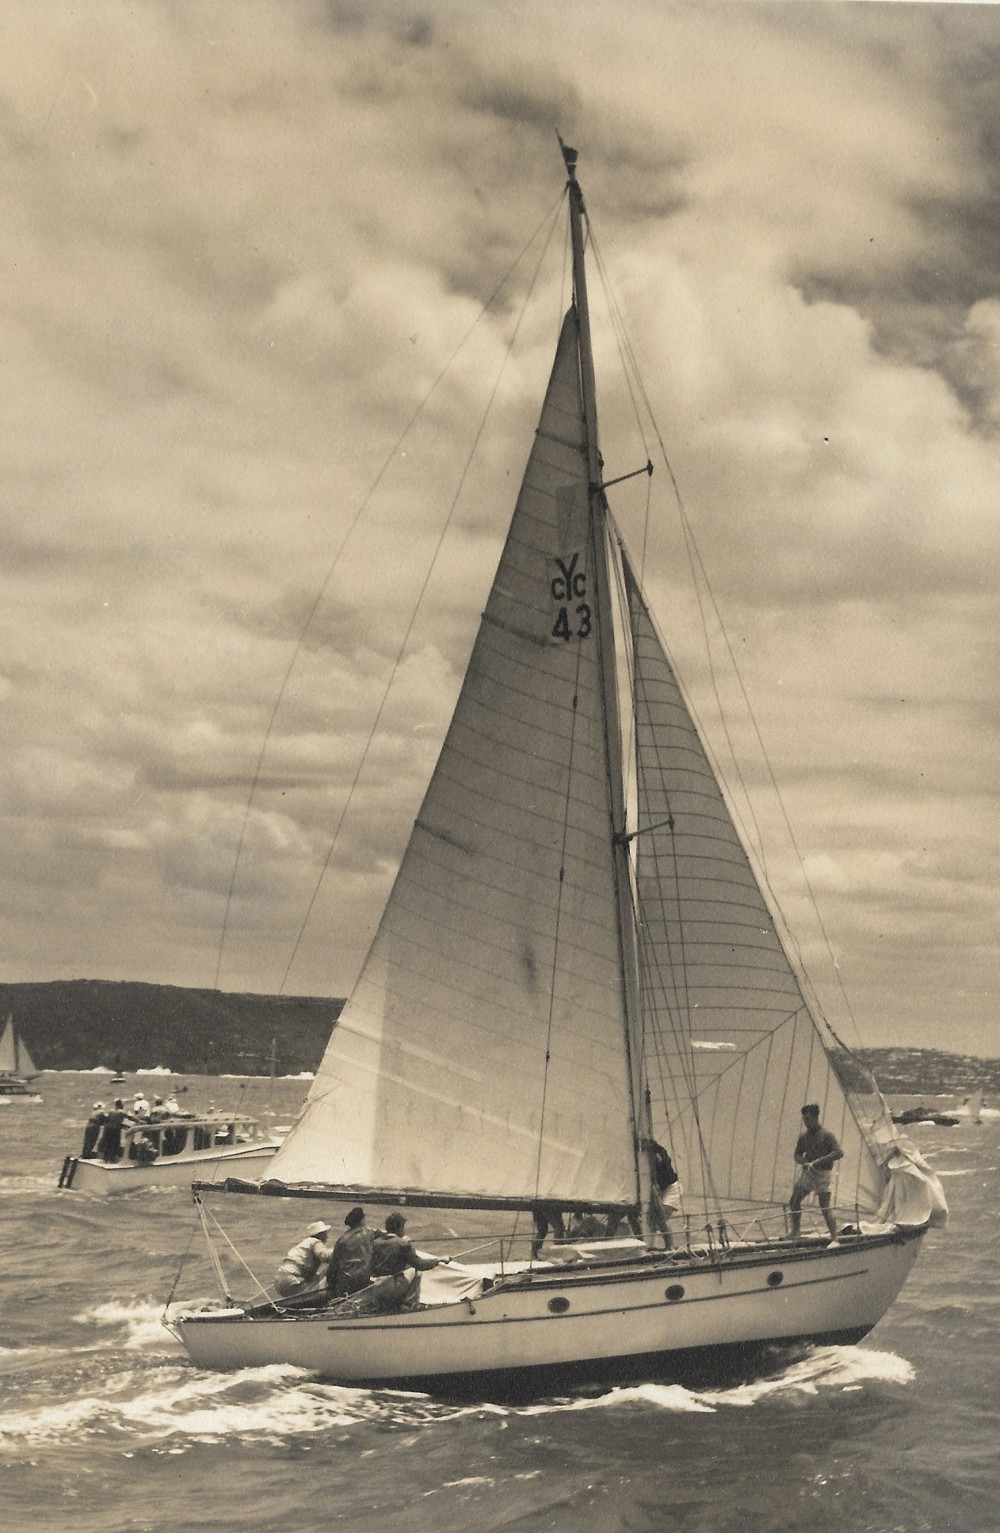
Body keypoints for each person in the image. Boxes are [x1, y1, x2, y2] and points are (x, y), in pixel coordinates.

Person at [357, 1212, 448, 1313]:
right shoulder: (403, 1244)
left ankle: (388, 1305)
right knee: (415, 1270)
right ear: (400, 1228)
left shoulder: (375, 1242)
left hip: (375, 1287)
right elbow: (420, 1264)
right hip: (391, 1288)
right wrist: (439, 1260)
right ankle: (408, 1305)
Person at [789, 1103, 843, 1241]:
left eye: (808, 1119)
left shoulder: (827, 1135)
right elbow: (797, 1154)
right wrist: (804, 1162)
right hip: (809, 1174)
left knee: (824, 1207)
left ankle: (834, 1238)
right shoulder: (803, 1137)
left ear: (815, 1117)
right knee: (794, 1200)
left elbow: (838, 1152)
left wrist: (820, 1161)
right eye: (804, 1119)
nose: (805, 1122)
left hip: (823, 1175)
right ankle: (795, 1233)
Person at [325, 1207, 375, 1298]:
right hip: (364, 1278)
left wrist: (330, 1283)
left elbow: (333, 1266)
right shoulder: (369, 1233)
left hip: (346, 1281)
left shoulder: (342, 1240)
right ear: (362, 1220)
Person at [274, 1220, 332, 1298]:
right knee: (318, 1295)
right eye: (325, 1234)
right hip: (292, 1279)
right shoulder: (315, 1242)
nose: (327, 1237)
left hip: (280, 1280)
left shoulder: (303, 1245)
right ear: (320, 1234)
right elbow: (324, 1255)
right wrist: (339, 1251)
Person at [642, 1137, 681, 1250]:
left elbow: (663, 1163)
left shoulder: (659, 1155)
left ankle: (670, 1246)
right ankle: (650, 1246)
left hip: (672, 1188)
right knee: (652, 1219)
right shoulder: (652, 1156)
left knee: (661, 1218)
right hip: (659, 1190)